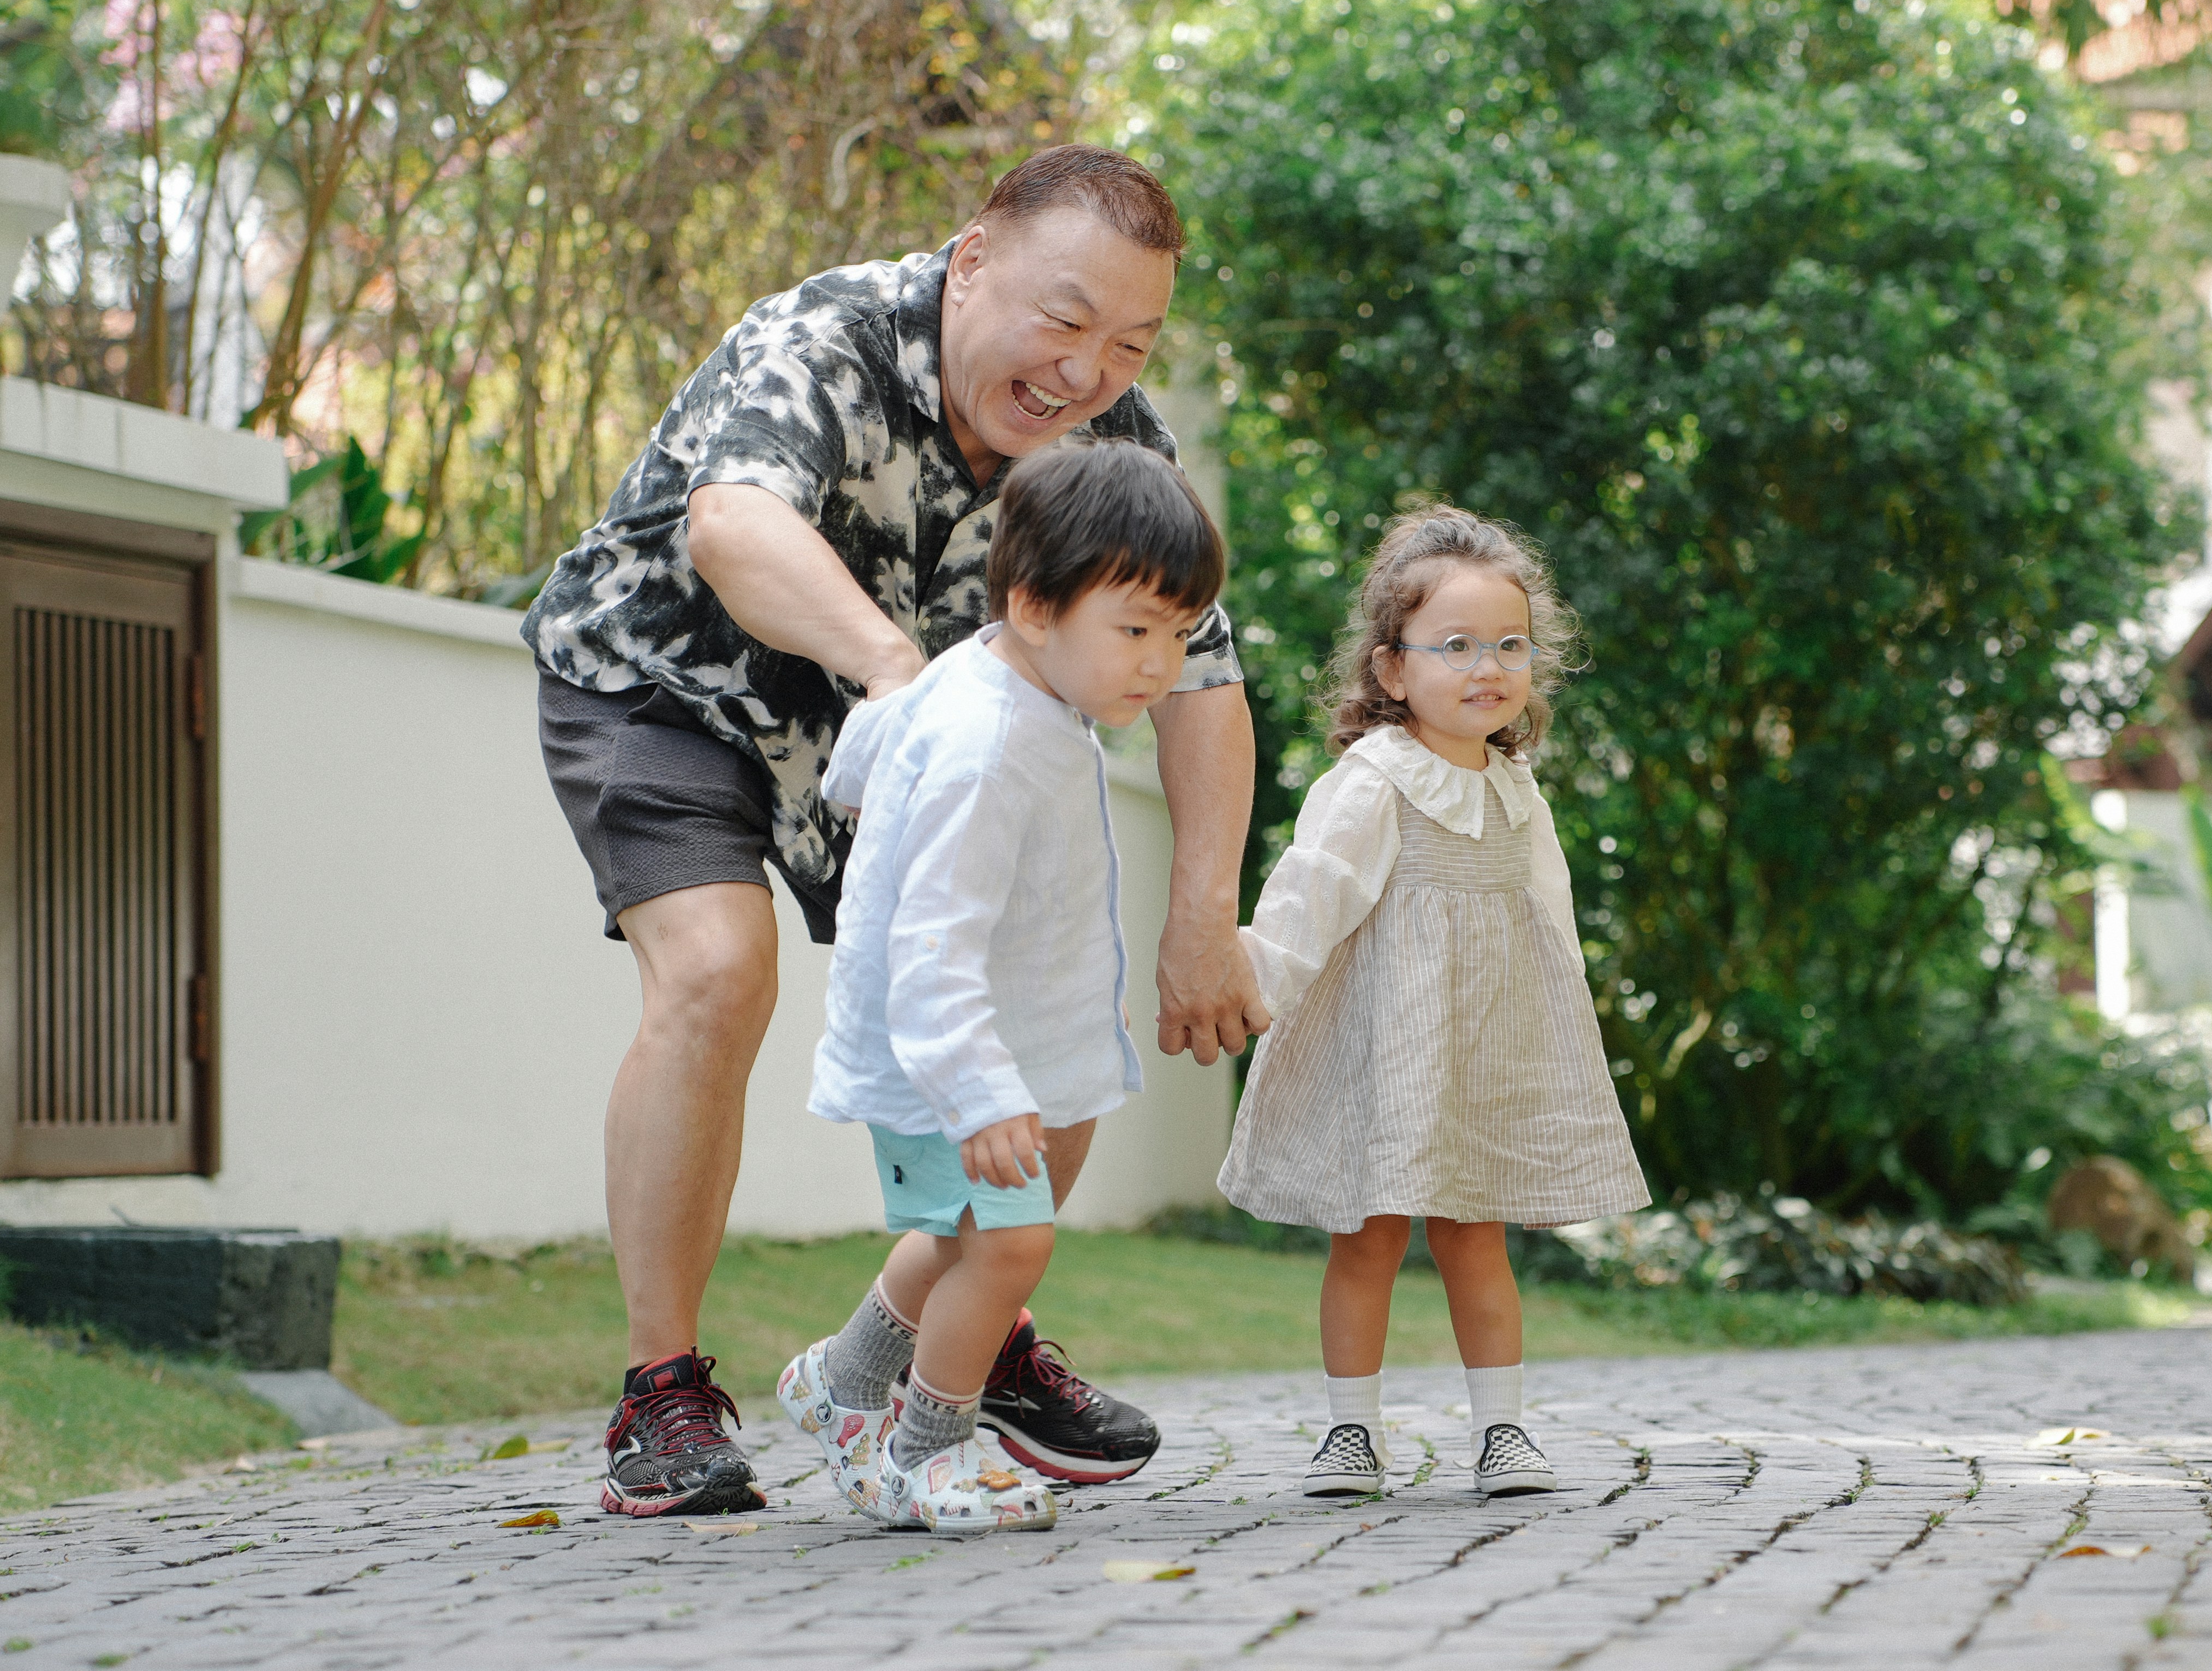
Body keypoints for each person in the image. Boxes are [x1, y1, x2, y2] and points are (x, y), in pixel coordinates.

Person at [522, 145, 1268, 1518]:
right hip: (674, 689)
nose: (1085, 369)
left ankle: (946, 1341)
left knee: (1021, 1018)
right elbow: (734, 523)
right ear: (972, 260)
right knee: (716, 972)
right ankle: (662, 1393)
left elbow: (1205, 684)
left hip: (913, 748)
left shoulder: (1119, 444)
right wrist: (892, 666)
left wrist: (1203, 914)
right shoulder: (828, 336)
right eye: (1062, 317)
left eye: (1128, 340)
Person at [776, 441, 1225, 1533]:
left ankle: (839, 1384)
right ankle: (928, 1449)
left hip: (984, 1045)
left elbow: (864, 755)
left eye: (1176, 635)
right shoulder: (988, 742)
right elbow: (932, 943)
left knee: (952, 1237)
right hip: (949, 1057)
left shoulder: (1001, 689)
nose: (1160, 665)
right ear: (1033, 605)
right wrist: (979, 1092)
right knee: (1009, 1246)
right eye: (1135, 629)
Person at [1219, 506, 1651, 1499]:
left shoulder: (1516, 787)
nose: (1486, 667)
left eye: (1509, 645)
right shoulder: (1376, 780)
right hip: (1384, 1040)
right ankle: (1350, 1434)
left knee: (1476, 1231)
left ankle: (1503, 1429)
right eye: (1454, 646)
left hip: (1486, 1042)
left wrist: (1563, 1023)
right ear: (1391, 670)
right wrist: (1249, 984)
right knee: (1367, 1235)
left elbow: (1549, 911)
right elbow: (1311, 890)